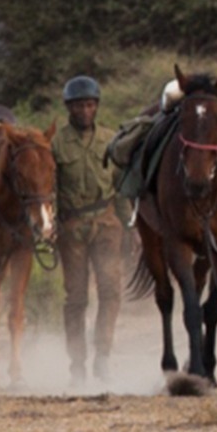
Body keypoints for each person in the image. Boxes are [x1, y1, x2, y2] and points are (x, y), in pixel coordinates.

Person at [51, 75, 126, 384]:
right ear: (69, 108)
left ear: (97, 107)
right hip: (71, 227)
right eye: (79, 105)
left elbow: (121, 187)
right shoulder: (55, 144)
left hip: (107, 222)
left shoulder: (111, 140)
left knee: (111, 291)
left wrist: (131, 226)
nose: (85, 111)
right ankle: (77, 363)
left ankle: (104, 356)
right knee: (76, 298)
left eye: (90, 105)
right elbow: (48, 188)